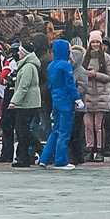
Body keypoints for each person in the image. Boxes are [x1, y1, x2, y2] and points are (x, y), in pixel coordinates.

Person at [41, 37, 81, 168]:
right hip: (65, 102)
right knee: (64, 131)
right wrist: (77, 98)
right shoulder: (65, 65)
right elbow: (70, 84)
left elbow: (51, 85)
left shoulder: (51, 66)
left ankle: (44, 158)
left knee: (55, 130)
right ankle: (61, 160)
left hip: (56, 101)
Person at [6, 39, 44, 167]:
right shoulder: (28, 65)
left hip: (27, 103)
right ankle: (32, 153)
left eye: (20, 51)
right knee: (24, 130)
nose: (18, 53)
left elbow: (23, 86)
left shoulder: (27, 67)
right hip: (29, 102)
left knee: (22, 131)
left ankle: (28, 155)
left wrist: (13, 101)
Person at [81, 40, 110, 160]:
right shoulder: (85, 57)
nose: (95, 45)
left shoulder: (106, 58)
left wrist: (96, 75)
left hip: (101, 96)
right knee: (88, 125)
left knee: (98, 125)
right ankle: (89, 149)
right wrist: (86, 75)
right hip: (87, 96)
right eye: (92, 42)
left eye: (97, 42)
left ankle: (100, 150)